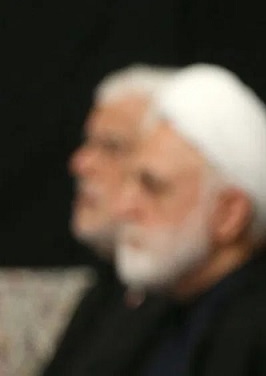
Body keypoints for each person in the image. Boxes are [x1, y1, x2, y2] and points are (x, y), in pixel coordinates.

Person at [111, 63, 266, 376]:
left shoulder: (263, 331)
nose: (123, 208)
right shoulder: (159, 306)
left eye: (153, 187)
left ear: (229, 214)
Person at [42, 65, 176, 376]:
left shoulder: (181, 306)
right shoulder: (110, 288)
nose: (80, 163)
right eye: (88, 142)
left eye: (111, 147)